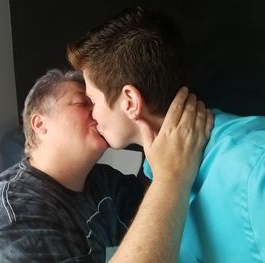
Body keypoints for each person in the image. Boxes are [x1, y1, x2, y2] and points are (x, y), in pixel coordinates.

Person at [67, 6, 265, 263]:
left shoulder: (253, 166)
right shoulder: (157, 168)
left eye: (93, 100)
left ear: (130, 101)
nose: (92, 114)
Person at [0, 69, 211, 262]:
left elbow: (157, 217)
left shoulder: (102, 180)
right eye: (82, 103)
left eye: (97, 103)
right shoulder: (3, 218)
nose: (99, 113)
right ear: (40, 124)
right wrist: (170, 177)